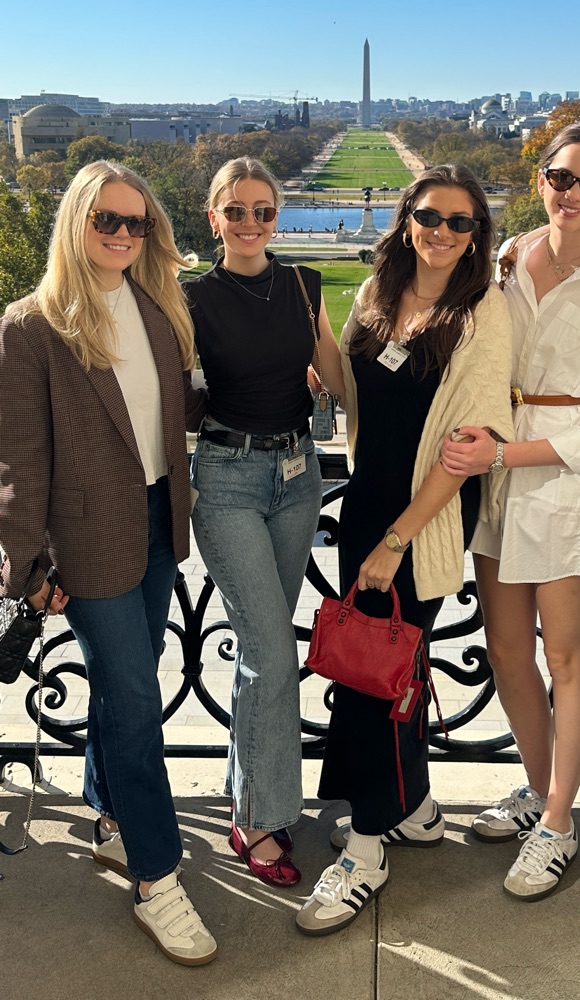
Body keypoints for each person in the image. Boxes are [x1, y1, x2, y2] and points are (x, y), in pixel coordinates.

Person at [0, 161, 216, 965]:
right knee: (133, 698)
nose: (124, 234)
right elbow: (18, 462)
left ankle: (111, 815)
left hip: (158, 520)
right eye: (108, 221)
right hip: (87, 540)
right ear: (77, 224)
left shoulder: (157, 306)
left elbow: (173, 409)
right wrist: (28, 567)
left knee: (131, 681)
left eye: (137, 223)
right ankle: (157, 877)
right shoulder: (31, 327)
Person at [441, 124, 580, 901]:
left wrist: (505, 455)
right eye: (560, 177)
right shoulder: (508, 256)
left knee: (566, 657)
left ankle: (560, 823)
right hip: (497, 466)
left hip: (564, 479)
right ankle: (540, 793)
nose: (572, 194)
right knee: (506, 650)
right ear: (540, 180)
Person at [296, 164, 515, 936]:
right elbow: (349, 391)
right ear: (406, 221)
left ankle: (366, 850)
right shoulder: (377, 295)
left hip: (421, 519)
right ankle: (413, 809)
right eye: (429, 216)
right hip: (366, 505)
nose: (442, 232)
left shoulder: (482, 312)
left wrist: (397, 540)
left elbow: (466, 449)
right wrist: (310, 320)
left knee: (373, 678)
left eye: (460, 222)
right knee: (387, 664)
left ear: (477, 235)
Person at [184, 157, 344, 889]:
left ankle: (247, 793)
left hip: (298, 476)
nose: (251, 223)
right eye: (236, 210)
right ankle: (259, 816)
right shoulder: (190, 297)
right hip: (226, 478)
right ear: (213, 217)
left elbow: (335, 372)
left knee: (263, 650)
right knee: (273, 655)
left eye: (264, 211)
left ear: (277, 217)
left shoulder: (303, 284)